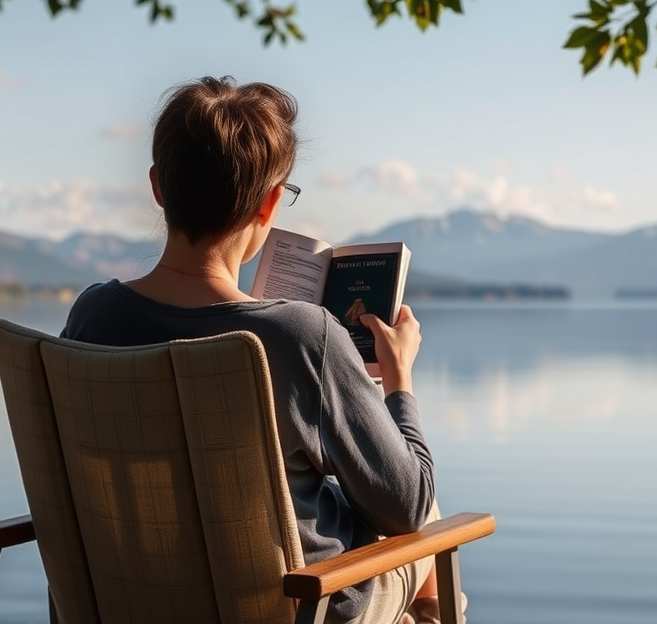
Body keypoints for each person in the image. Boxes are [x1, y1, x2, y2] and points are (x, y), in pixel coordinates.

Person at [60, 76, 444, 624]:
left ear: (158, 187)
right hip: (297, 604)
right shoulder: (301, 335)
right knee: (428, 507)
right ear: (268, 203)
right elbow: (404, 508)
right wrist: (399, 380)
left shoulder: (93, 316)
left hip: (132, 599)